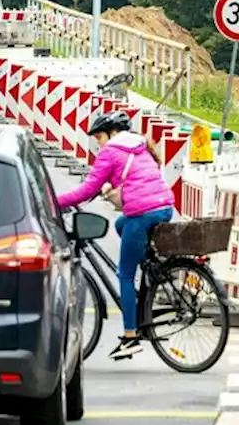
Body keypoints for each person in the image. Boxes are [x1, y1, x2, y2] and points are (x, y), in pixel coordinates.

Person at [56, 110, 175, 360]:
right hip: (165, 207)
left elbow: (86, 190)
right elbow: (137, 177)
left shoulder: (110, 151)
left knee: (125, 275)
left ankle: (130, 337)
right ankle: (151, 267)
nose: (97, 142)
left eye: (98, 136)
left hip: (143, 213)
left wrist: (53, 202)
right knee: (121, 224)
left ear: (110, 134)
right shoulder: (140, 146)